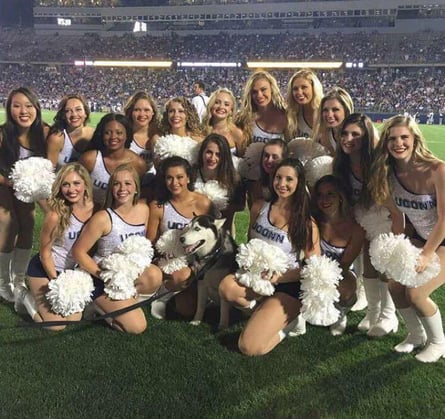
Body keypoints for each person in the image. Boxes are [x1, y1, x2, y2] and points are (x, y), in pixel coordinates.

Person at [219, 158, 321, 356]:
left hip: (286, 285)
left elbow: (313, 269)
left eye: (289, 179)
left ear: (299, 183)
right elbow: (250, 241)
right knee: (227, 288)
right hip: (257, 278)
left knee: (249, 347)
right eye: (278, 178)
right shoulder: (259, 207)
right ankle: (263, 311)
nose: (282, 184)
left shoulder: (306, 223)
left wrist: (279, 277)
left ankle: (290, 323)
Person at [369, 115, 445, 362]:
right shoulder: (388, 174)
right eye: (392, 138)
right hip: (421, 238)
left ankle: (438, 342)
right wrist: (398, 245)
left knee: (416, 293)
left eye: (404, 137)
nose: (398, 143)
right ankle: (415, 335)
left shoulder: (437, 169)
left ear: (414, 139)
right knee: (394, 284)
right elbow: (397, 215)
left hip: (441, 240)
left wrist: (426, 254)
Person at [333, 113, 404, 337]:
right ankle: (373, 313)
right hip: (363, 219)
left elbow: (394, 209)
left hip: (385, 219)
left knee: (385, 267)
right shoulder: (342, 164)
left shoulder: (377, 164)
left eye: (356, 134)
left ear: (366, 138)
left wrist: (397, 239)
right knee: (370, 267)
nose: (348, 138)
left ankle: (388, 316)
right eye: (345, 133)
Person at [72, 163, 162, 334]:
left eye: (128, 183)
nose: (122, 188)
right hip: (102, 278)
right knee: (137, 327)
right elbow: (78, 252)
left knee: (155, 275)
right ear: (111, 189)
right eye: (117, 184)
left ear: (136, 188)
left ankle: (124, 301)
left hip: (128, 275)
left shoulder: (143, 210)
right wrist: (104, 276)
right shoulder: (103, 218)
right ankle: (97, 305)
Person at [19, 163, 95, 329]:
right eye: (65, 184)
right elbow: (44, 254)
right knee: (56, 326)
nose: (71, 189)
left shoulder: (96, 210)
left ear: (85, 184)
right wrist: (57, 283)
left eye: (76, 183)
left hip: (72, 273)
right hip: (46, 270)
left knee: (74, 319)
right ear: (60, 188)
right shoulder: (55, 215)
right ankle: (26, 298)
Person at [147, 156, 214, 319]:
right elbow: (150, 241)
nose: (174, 183)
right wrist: (162, 259)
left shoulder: (203, 203)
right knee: (182, 278)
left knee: (188, 309)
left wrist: (198, 267)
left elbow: (212, 239)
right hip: (169, 261)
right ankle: (162, 295)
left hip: (195, 263)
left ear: (189, 178)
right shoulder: (158, 205)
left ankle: (187, 290)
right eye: (169, 178)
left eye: (179, 177)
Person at [0, 87, 48, 305]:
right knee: (7, 223)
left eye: (28, 105)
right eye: (17, 105)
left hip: (26, 188)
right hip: (3, 183)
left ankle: (19, 280)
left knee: (27, 224)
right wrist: (9, 182)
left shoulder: (44, 133)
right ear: (9, 109)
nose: (23, 111)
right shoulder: (2, 134)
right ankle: (2, 282)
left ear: (36, 108)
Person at [312, 175, 365, 335]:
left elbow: (344, 265)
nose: (324, 199)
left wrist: (324, 279)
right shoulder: (314, 221)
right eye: (320, 195)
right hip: (314, 272)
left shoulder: (356, 228)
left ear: (340, 197)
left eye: (330, 194)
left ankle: (340, 311)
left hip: (340, 274)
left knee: (346, 284)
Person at [79, 113, 146, 206]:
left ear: (127, 135)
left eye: (119, 133)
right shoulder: (89, 159)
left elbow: (140, 195)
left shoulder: (138, 164)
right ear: (101, 135)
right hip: (92, 214)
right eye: (108, 133)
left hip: (123, 216)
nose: (113, 137)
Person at [195, 133, 245, 232]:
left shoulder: (234, 180)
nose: (212, 158)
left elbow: (240, 206)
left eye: (218, 154)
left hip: (222, 231)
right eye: (209, 152)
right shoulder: (191, 175)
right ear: (202, 152)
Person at [235, 71, 287, 153]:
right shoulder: (244, 119)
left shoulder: (287, 117)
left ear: (272, 90)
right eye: (254, 92)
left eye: (263, 90)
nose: (259, 95)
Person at [46, 94, 94, 169]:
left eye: (78, 109)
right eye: (68, 111)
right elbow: (49, 172)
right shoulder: (57, 138)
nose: (74, 114)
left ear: (85, 113)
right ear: (63, 116)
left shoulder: (93, 135)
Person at [124, 91, 160, 175]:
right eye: (137, 110)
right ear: (130, 112)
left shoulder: (160, 135)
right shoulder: (123, 135)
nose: (142, 114)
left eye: (146, 110)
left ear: (153, 112)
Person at [312, 87, 354, 156]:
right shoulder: (324, 135)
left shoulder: (359, 134)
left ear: (346, 111)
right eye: (325, 110)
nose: (329, 115)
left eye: (335, 109)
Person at [203, 88, 244, 156]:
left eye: (226, 104)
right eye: (217, 102)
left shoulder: (237, 133)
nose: (221, 106)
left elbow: (243, 162)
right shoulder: (202, 131)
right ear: (211, 106)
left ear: (231, 110)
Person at [285, 69, 324, 140]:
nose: (299, 92)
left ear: (314, 88)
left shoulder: (325, 113)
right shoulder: (292, 115)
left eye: (304, 87)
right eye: (295, 89)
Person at [247, 138, 288, 205]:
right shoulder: (258, 187)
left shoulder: (292, 186)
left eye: (275, 157)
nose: (269, 160)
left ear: (283, 159)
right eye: (266, 156)